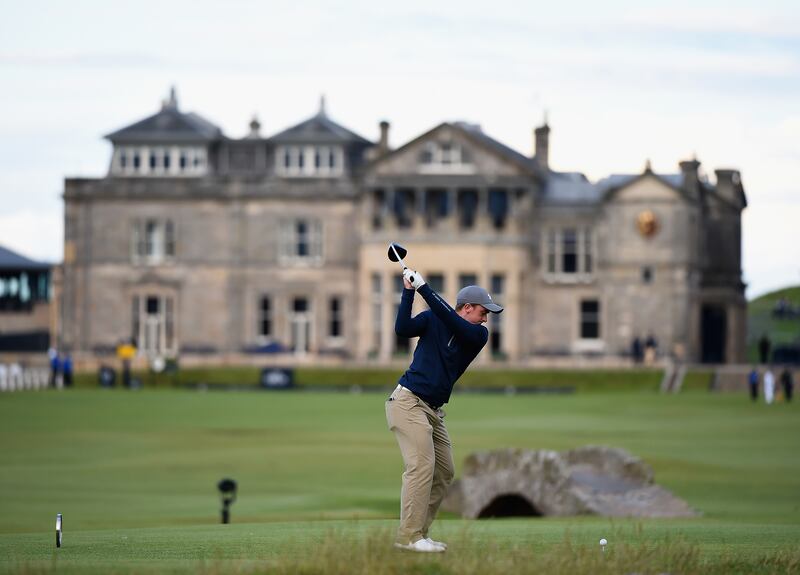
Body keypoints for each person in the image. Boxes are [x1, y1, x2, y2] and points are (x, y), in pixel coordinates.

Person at [387, 271, 502, 553]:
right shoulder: (433, 319)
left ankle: (419, 534)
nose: (486, 318)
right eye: (482, 312)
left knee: (445, 471)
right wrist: (409, 291)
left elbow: (454, 323)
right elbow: (402, 329)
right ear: (466, 307)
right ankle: (409, 537)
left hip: (433, 410)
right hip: (407, 402)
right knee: (421, 466)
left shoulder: (478, 335)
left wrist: (425, 288)